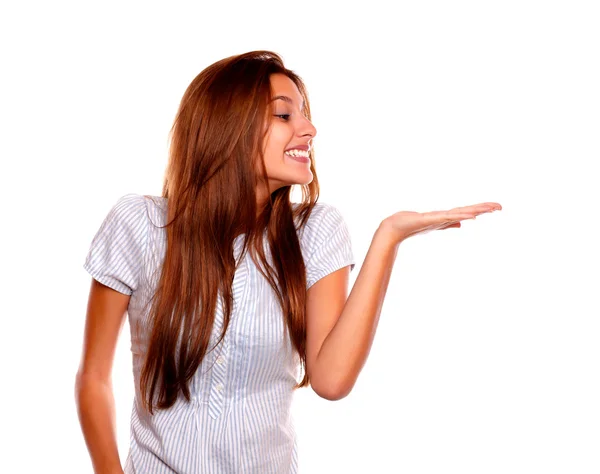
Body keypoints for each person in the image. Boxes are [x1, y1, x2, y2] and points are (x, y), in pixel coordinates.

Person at [75, 50, 501, 474]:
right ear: (228, 127)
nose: (309, 129)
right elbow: (94, 378)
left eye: (304, 115)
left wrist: (388, 238)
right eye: (284, 116)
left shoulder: (316, 231)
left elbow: (331, 380)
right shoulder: (140, 225)